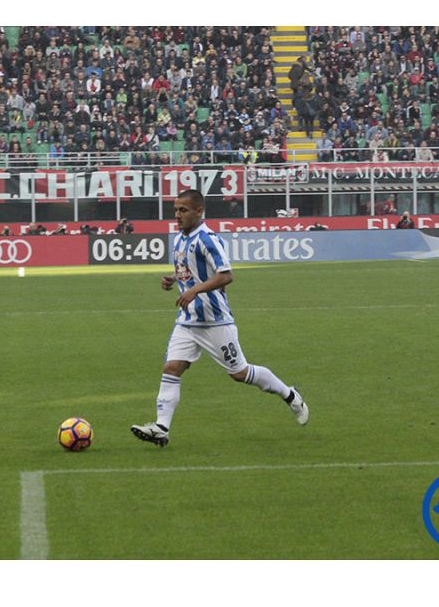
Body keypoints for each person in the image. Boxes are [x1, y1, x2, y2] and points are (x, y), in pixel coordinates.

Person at [130, 189, 309, 447]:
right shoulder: (179, 239)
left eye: (183, 210)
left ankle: (290, 394)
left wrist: (193, 290)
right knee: (172, 368)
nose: (177, 215)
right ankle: (161, 428)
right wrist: (175, 279)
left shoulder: (209, 239)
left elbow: (226, 275)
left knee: (240, 373)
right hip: (188, 321)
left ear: (199, 211)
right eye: (176, 210)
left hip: (215, 322)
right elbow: (190, 270)